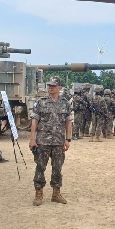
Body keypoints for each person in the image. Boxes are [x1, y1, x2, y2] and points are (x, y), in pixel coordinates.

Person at [29, 76, 72, 206]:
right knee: (40, 167)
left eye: (53, 86)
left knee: (57, 168)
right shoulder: (41, 102)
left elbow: (68, 122)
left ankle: (56, 193)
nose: (50, 88)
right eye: (49, 85)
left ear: (59, 87)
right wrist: (32, 139)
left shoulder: (65, 103)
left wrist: (68, 139)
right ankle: (38, 193)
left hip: (58, 142)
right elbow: (34, 120)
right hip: (43, 141)